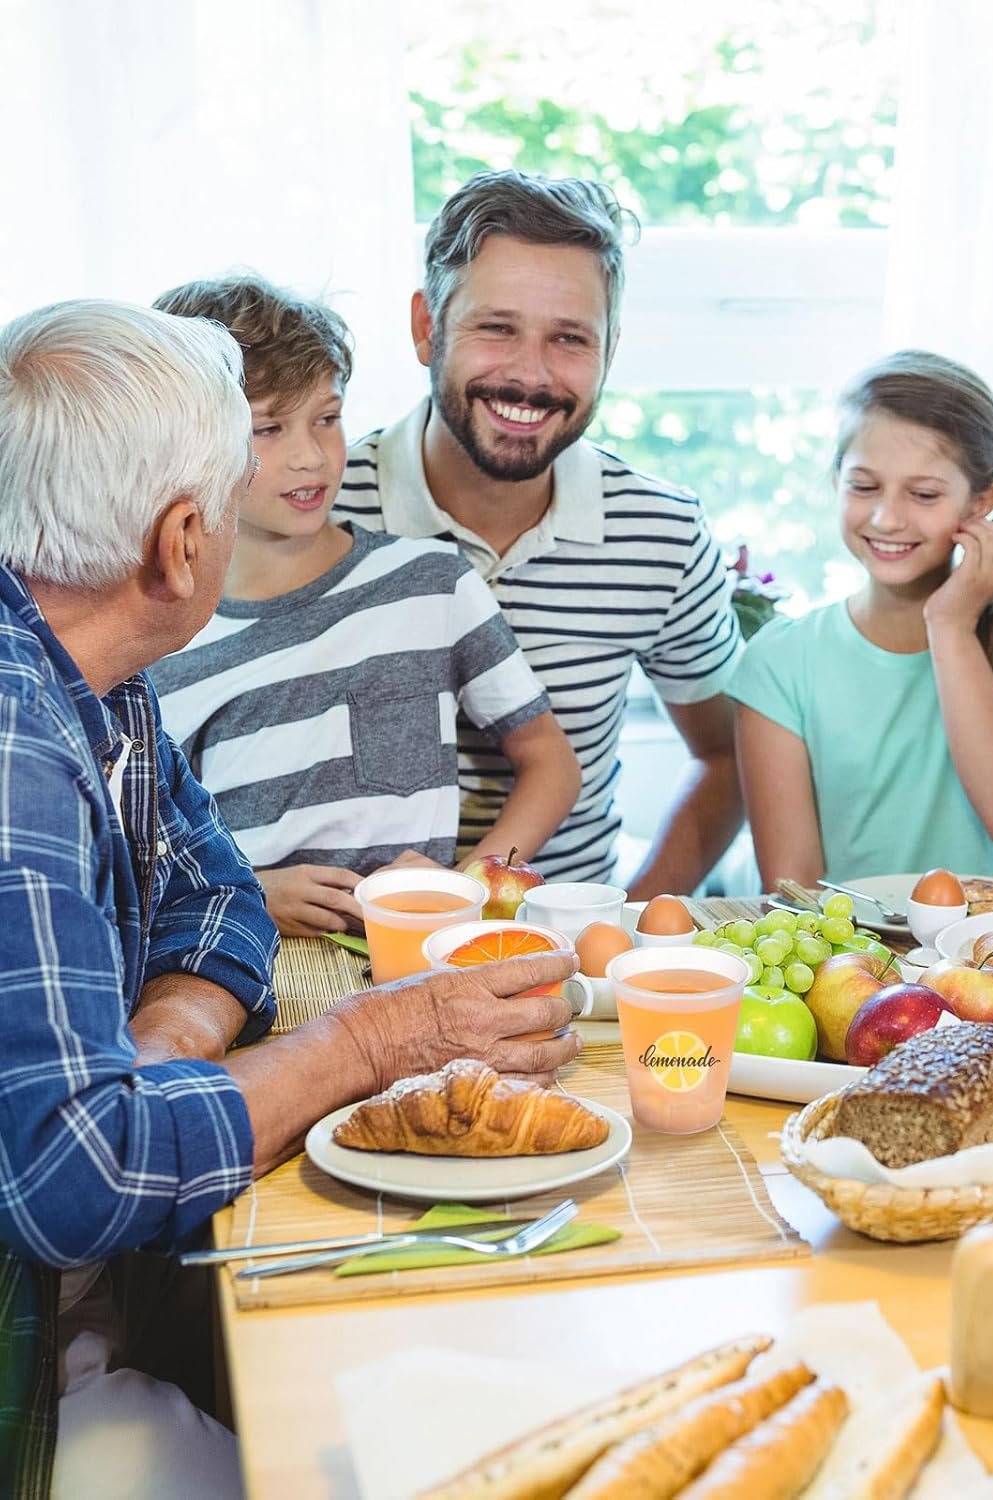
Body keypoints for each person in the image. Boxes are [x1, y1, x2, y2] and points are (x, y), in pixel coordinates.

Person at [0, 300, 582, 1498]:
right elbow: (81, 1182)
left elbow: (213, 891)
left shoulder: (92, 671)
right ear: (179, 541)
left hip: (82, 1308)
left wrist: (167, 1041)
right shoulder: (16, 750)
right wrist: (382, 1032)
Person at [332, 171, 743, 898]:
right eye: (497, 328)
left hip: (563, 956)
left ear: (610, 352)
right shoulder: (320, 509)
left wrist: (636, 923)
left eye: (570, 339)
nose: (530, 375)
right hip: (342, 952)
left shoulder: (663, 533)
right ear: (427, 327)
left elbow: (726, 753)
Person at [148, 275, 579, 938]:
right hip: (253, 966)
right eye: (269, 427)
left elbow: (550, 762)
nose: (312, 456)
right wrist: (248, 895)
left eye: (327, 417)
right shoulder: (164, 642)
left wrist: (463, 886)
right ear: (188, 443)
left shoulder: (430, 583)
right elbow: (145, 851)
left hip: (420, 956)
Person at [730, 350, 993, 887]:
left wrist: (950, 624)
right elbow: (792, 888)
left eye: (923, 494)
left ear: (981, 501)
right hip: (848, 960)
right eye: (864, 486)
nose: (887, 518)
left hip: (991, 956)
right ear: (836, 482)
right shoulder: (782, 661)